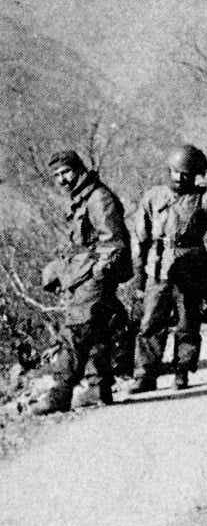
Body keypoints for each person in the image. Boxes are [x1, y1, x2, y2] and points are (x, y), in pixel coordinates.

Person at [32, 149, 133, 414]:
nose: (62, 179)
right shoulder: (81, 198)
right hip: (84, 274)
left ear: (79, 169)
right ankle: (98, 389)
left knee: (75, 331)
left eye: (66, 172)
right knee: (96, 331)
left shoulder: (99, 198)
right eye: (57, 175)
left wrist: (97, 275)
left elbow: (113, 242)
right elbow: (81, 244)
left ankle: (60, 394)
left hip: (94, 276)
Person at [130, 144, 207, 392]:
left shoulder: (201, 197)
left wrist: (206, 168)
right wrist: (139, 274)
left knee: (188, 322)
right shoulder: (153, 196)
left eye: (186, 173)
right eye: (176, 172)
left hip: (190, 266)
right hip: (158, 267)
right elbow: (141, 238)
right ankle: (145, 375)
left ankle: (182, 370)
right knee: (151, 323)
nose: (179, 178)